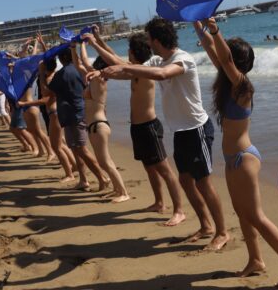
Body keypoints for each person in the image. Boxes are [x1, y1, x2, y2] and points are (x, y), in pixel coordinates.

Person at [101, 17, 229, 251]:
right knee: (185, 180)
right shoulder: (159, 59)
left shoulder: (183, 59)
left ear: (157, 40)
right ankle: (206, 226)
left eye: (149, 39)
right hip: (180, 130)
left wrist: (124, 67)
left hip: (196, 128)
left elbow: (162, 75)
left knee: (203, 183)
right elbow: (130, 72)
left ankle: (222, 232)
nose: (148, 43)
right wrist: (105, 71)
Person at [196, 17, 278, 288]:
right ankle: (256, 259)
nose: (222, 61)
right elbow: (214, 51)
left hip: (245, 159)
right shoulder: (227, 82)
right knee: (241, 212)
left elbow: (225, 59)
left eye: (227, 57)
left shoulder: (243, 86)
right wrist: (198, 25)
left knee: (255, 215)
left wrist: (216, 29)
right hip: (233, 159)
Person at [84, 27, 185, 224]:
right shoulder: (134, 69)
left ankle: (179, 210)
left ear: (133, 52)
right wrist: (97, 39)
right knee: (149, 167)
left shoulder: (146, 71)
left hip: (149, 127)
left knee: (164, 170)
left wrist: (94, 44)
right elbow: (114, 58)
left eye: (129, 49)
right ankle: (159, 202)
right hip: (138, 127)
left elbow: (115, 61)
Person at [71, 40, 130, 203]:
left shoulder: (100, 79)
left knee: (105, 161)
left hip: (99, 125)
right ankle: (117, 189)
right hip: (94, 126)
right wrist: (71, 48)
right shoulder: (93, 80)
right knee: (103, 161)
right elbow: (78, 64)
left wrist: (82, 43)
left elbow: (83, 61)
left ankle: (124, 192)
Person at [49, 47, 109, 192]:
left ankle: (102, 178)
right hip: (77, 112)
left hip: (73, 115)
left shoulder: (63, 73)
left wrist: (42, 71)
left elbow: (48, 90)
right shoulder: (77, 70)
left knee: (81, 149)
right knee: (76, 149)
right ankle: (83, 180)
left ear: (62, 58)